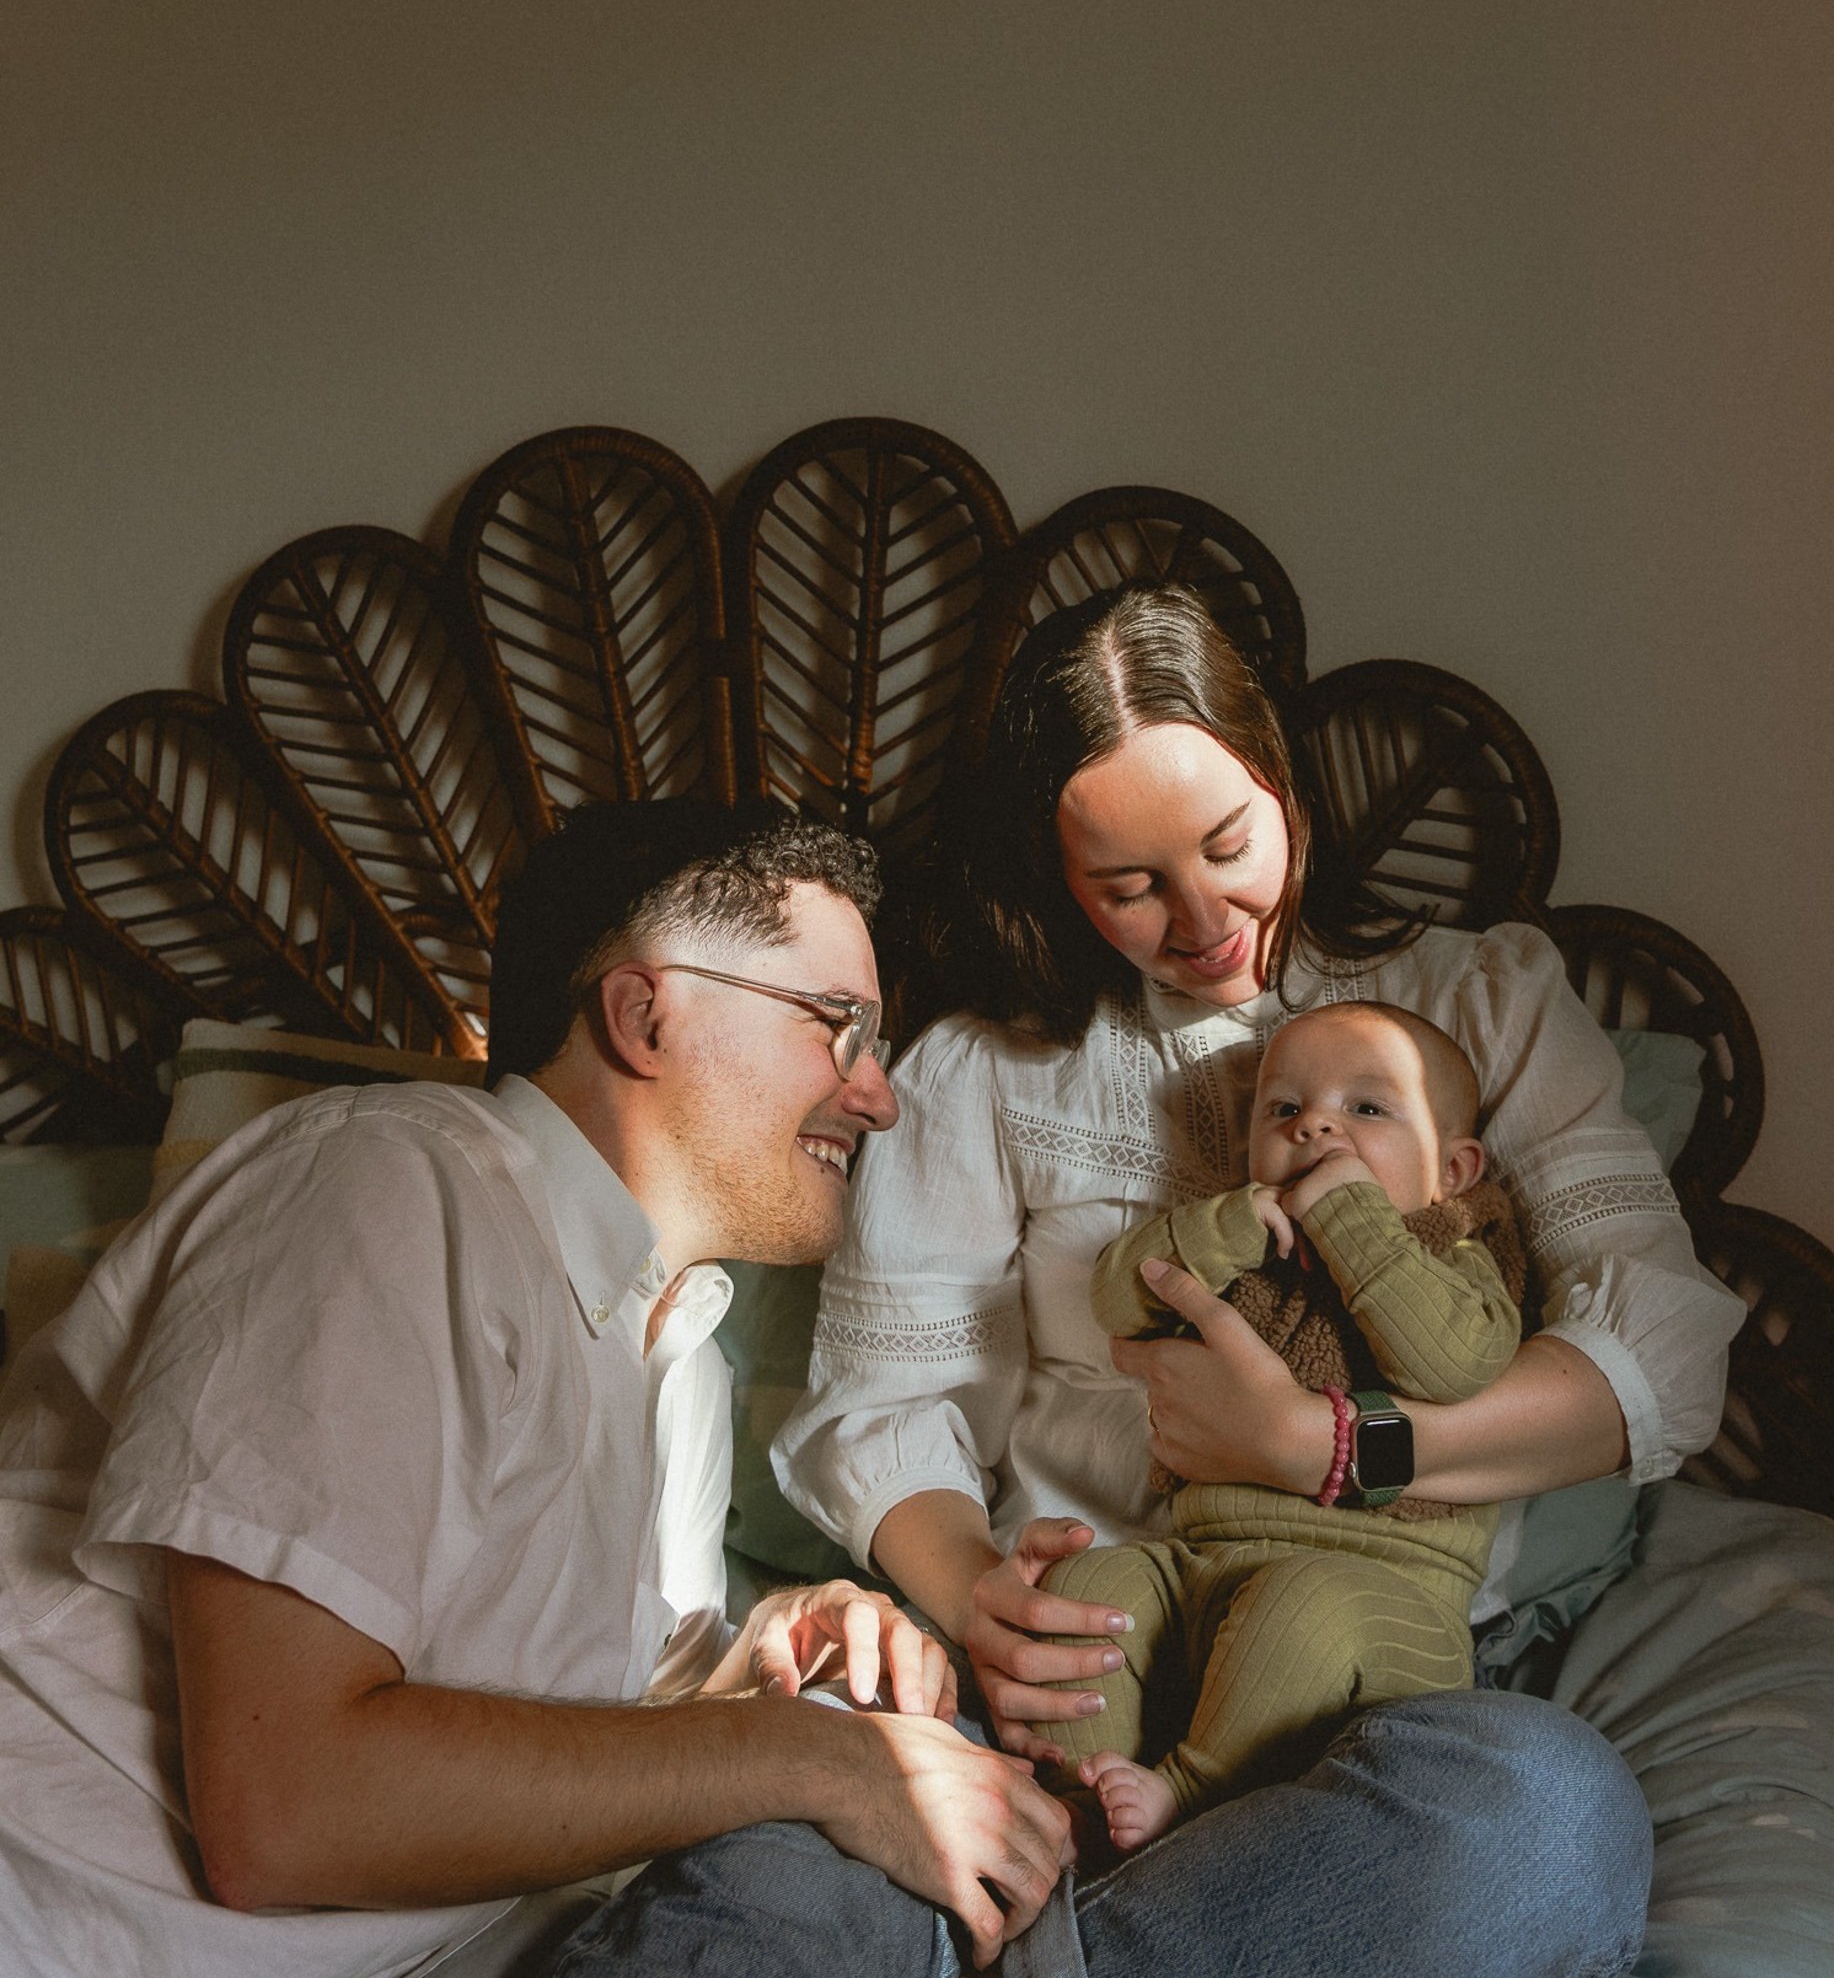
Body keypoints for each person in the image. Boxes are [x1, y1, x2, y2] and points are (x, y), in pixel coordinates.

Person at [750, 579, 1748, 1972]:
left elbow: (1664, 1360)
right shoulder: (985, 1070)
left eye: (1230, 844)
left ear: (1283, 781)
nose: (1204, 916)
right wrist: (981, 1597)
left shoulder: (1478, 1009)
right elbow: (887, 1401)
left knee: (1547, 1812)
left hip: (1363, 1683)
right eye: (1130, 888)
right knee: (780, 1821)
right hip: (1083, 1654)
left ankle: (1061, 1931)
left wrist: (1327, 1447)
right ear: (1056, 875)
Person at [0, 799, 1071, 1978]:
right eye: (837, 1026)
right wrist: (818, 1760)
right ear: (645, 1014)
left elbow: (545, 1699)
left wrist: (759, 1653)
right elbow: (287, 1803)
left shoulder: (675, 1351)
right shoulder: (395, 1186)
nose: (879, 1095)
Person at [1046, 1000, 1530, 1853]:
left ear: (1453, 1170)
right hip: (1203, 1568)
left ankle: (1189, 1796)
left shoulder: (1454, 1250)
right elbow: (1117, 1298)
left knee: (1300, 1602)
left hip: (1381, 1601)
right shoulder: (1242, 1247)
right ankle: (1079, 1802)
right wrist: (1225, 1225)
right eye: (1284, 1108)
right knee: (1090, 1588)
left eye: (1366, 1107)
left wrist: (1353, 1218)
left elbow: (1453, 1364)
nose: (1315, 1126)